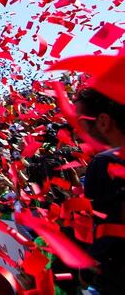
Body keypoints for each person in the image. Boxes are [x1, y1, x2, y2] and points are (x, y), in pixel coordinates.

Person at [74, 87, 125, 295]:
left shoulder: (105, 162)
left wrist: (87, 267)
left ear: (103, 121)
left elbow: (110, 227)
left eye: (80, 122)